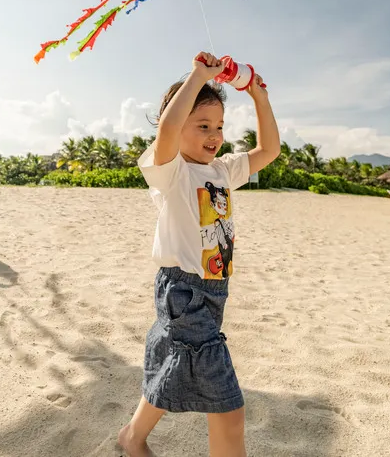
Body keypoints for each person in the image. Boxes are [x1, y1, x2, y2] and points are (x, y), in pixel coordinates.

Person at [118, 52, 280, 457]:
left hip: (214, 291)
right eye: (203, 125)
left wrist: (259, 96)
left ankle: (132, 437)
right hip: (183, 291)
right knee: (229, 409)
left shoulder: (222, 171)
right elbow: (168, 129)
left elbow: (269, 150)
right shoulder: (171, 171)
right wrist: (197, 76)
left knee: (176, 363)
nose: (214, 134)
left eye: (220, 126)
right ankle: (134, 437)